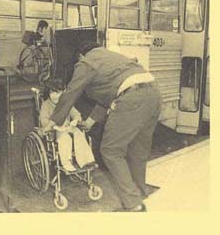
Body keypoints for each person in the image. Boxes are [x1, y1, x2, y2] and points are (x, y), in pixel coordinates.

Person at [40, 41, 162, 212]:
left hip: (132, 100)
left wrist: (52, 122)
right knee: (138, 150)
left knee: (111, 151)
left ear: (81, 56)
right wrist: (90, 121)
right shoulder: (113, 58)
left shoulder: (86, 62)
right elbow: (111, 93)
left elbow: (70, 93)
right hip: (154, 95)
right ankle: (140, 194)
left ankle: (133, 204)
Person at [39, 79, 96, 172]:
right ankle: (66, 163)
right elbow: (44, 120)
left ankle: (85, 160)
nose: (55, 96)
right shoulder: (46, 105)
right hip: (54, 131)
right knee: (65, 138)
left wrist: (76, 120)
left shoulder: (66, 104)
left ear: (63, 93)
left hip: (67, 128)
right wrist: (55, 127)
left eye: (58, 93)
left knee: (79, 133)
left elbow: (76, 114)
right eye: (52, 93)